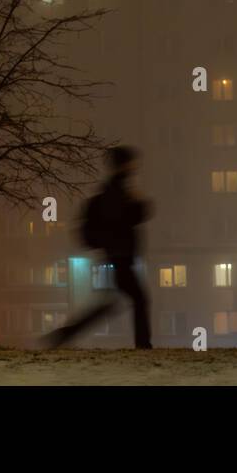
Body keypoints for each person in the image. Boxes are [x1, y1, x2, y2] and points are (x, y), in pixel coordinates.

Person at [45, 145, 153, 349]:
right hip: (120, 255)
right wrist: (139, 204)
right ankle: (143, 345)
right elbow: (128, 217)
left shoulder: (117, 188)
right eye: (131, 162)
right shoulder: (118, 189)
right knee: (138, 299)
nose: (135, 167)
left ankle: (65, 334)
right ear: (125, 164)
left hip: (118, 254)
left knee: (114, 302)